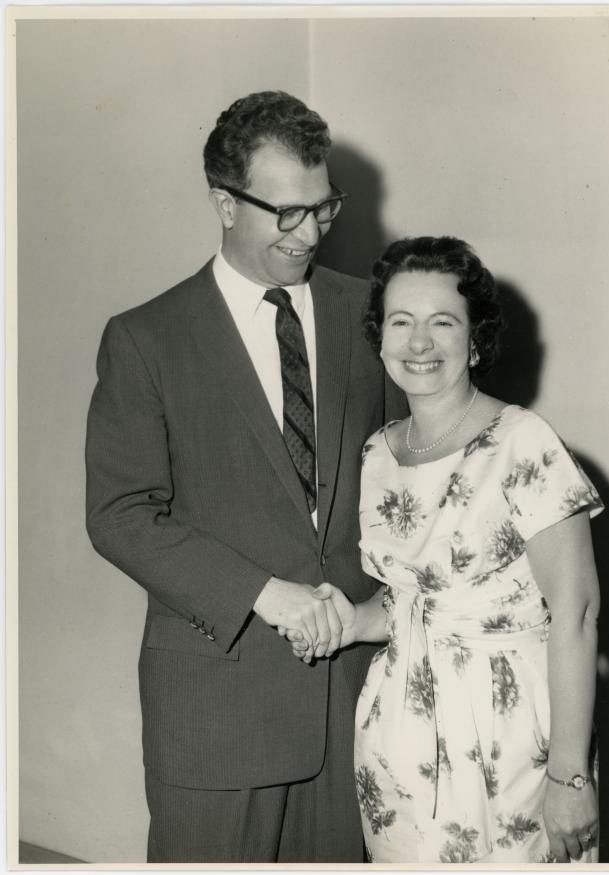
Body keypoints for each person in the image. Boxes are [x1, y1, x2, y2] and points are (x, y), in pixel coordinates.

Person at [85, 91, 405, 863]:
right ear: (225, 203)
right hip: (217, 711)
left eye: (323, 208)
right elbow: (120, 514)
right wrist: (266, 593)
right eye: (286, 212)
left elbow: (408, 479)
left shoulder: (371, 315)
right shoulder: (146, 338)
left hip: (355, 702)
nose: (310, 233)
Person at [287, 236, 603, 863]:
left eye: (443, 322)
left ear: (475, 340)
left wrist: (570, 775)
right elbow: (412, 600)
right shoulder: (378, 451)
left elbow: (578, 613)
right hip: (396, 731)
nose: (419, 342)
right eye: (401, 322)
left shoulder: (522, 440)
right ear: (380, 338)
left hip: (509, 737)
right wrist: (349, 622)